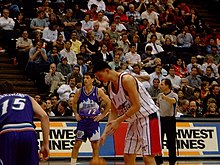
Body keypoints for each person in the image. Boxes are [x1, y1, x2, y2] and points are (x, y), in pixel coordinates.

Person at [93, 61, 161, 165]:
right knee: (128, 155)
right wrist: (104, 133)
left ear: (107, 71)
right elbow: (114, 112)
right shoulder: (110, 87)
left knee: (148, 156)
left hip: (148, 117)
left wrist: (119, 121)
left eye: (99, 76)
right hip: (134, 120)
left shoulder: (126, 79)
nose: (99, 79)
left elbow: (136, 106)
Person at [0, 81, 50, 165]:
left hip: (7, 133)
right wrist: (45, 144)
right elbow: (44, 116)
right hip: (28, 132)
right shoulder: (27, 97)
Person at [71, 72, 111, 165]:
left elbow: (109, 102)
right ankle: (72, 163)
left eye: (88, 78)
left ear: (92, 79)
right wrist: (76, 113)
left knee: (95, 145)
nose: (85, 79)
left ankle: (95, 162)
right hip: (83, 121)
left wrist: (102, 115)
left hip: (93, 121)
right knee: (77, 144)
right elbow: (74, 103)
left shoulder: (98, 91)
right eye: (84, 78)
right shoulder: (79, 91)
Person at [155, 78, 178, 165]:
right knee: (159, 141)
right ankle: (158, 160)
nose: (160, 86)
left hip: (170, 120)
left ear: (167, 86)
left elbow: (173, 101)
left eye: (162, 84)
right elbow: (157, 106)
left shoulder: (174, 95)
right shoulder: (159, 95)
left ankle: (172, 161)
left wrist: (166, 98)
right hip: (161, 120)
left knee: (171, 142)